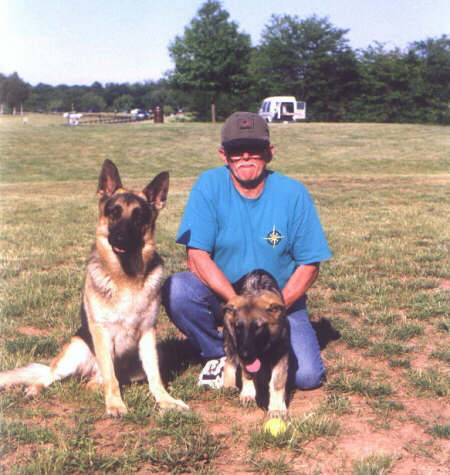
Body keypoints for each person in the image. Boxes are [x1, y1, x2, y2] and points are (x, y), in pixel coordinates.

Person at [162, 111, 332, 390]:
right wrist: (236, 305)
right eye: (235, 151)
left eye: (254, 150)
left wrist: (275, 309)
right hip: (224, 297)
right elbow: (197, 257)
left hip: (277, 301)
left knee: (307, 377)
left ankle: (255, 350)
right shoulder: (208, 185)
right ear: (223, 155)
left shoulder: (294, 193)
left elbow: (310, 264)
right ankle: (218, 353)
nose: (244, 158)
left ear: (270, 152)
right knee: (177, 289)